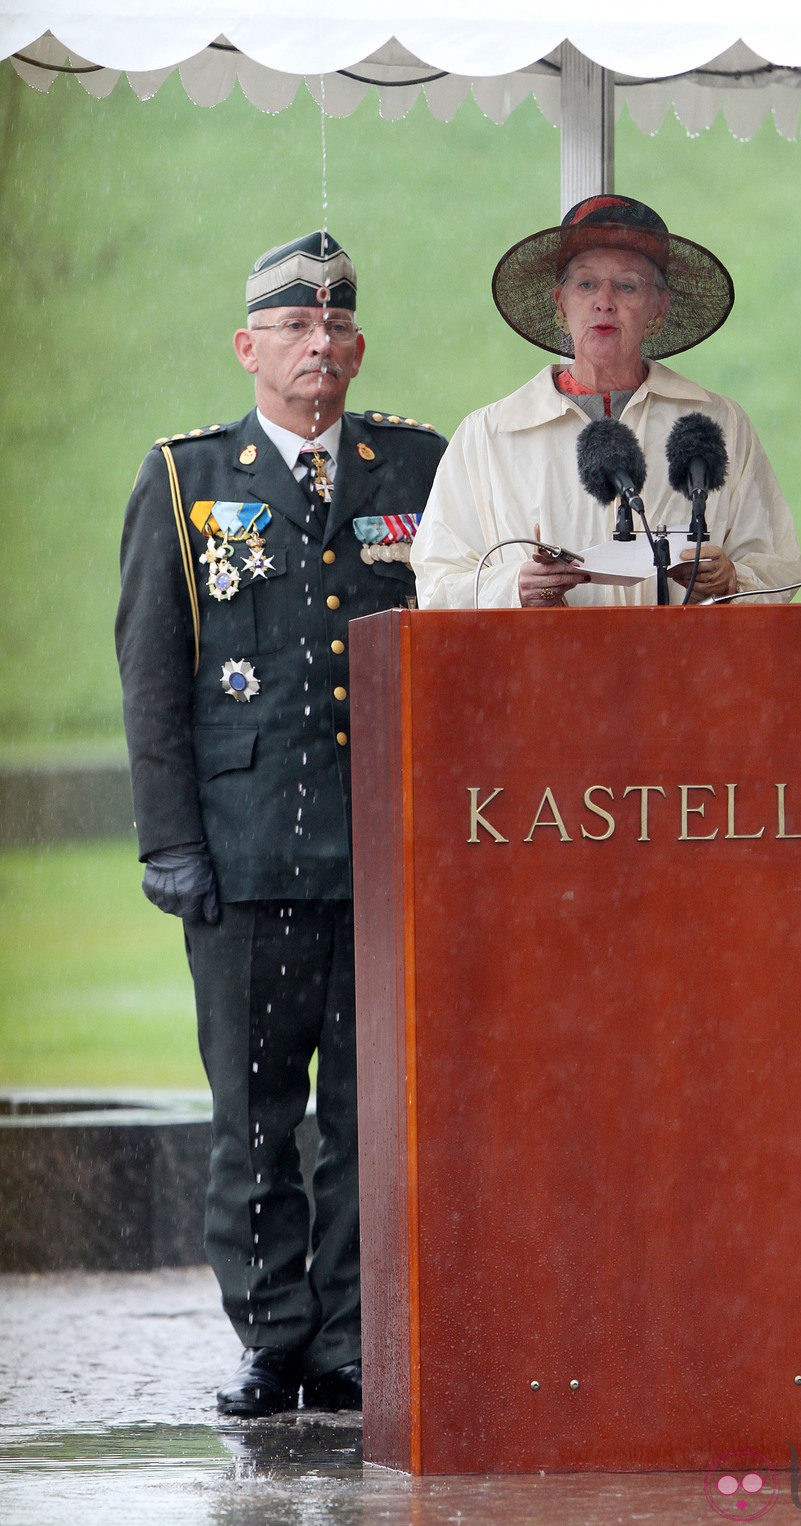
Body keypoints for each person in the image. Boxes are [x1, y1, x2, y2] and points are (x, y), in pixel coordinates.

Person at [115, 230, 446, 1417]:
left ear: (357, 345)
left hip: (384, 856)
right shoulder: (184, 480)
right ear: (248, 346)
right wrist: (170, 845)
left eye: (337, 327)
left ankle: (354, 1337)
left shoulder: (415, 469)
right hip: (246, 856)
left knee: (369, 1114)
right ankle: (272, 1336)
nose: (320, 345)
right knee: (254, 1108)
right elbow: (152, 680)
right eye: (295, 328)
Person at [411, 194, 801, 608]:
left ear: (658, 307)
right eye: (586, 283)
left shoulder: (719, 424)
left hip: (682, 669)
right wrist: (515, 587)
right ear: (560, 302)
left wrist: (733, 580)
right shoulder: (488, 436)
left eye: (627, 285)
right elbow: (437, 585)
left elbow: (778, 569)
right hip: (541, 670)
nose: (604, 301)